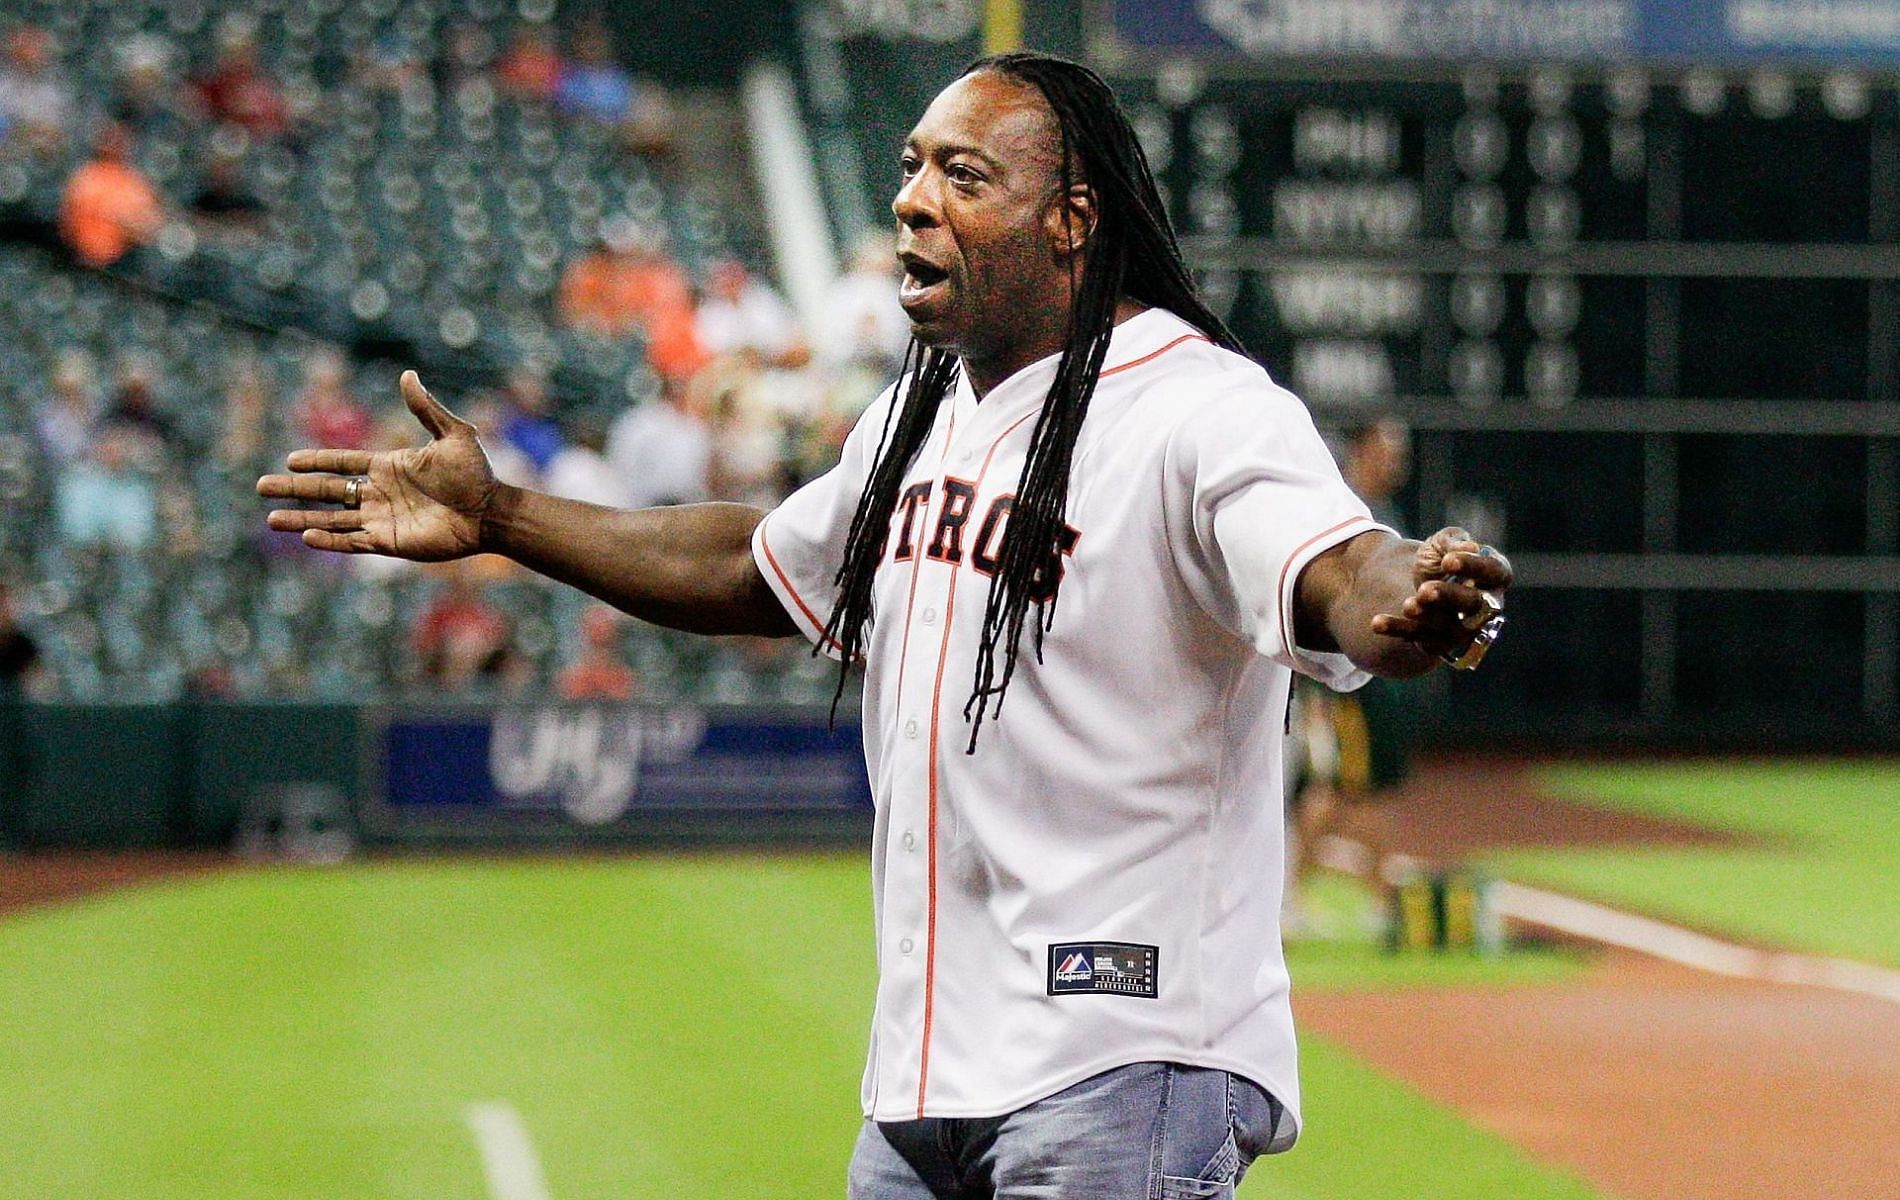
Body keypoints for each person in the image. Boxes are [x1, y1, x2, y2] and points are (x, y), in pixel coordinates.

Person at [260, 51, 1512, 1199]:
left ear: (1074, 221)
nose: (913, 199)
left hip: (1122, 1052)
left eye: (962, 175)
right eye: (910, 166)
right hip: (926, 1081)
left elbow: (1335, 565)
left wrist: (1402, 595)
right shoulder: (924, 409)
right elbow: (757, 566)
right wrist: (503, 515)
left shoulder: (1201, 409)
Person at [1287, 415, 1421, 927]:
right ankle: (1293, 897)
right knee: (1338, 789)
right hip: (1343, 682)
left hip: (1378, 682)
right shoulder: (1344, 510)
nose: (1395, 462)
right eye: (1386, 450)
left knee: (1374, 787)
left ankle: (1376, 895)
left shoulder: (1384, 509)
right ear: (1361, 450)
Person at [59, 123, 166, 269]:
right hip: (80, 257)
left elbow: (149, 225)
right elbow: (69, 216)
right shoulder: (88, 174)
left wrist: (126, 222)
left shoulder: (133, 182)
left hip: (121, 262)